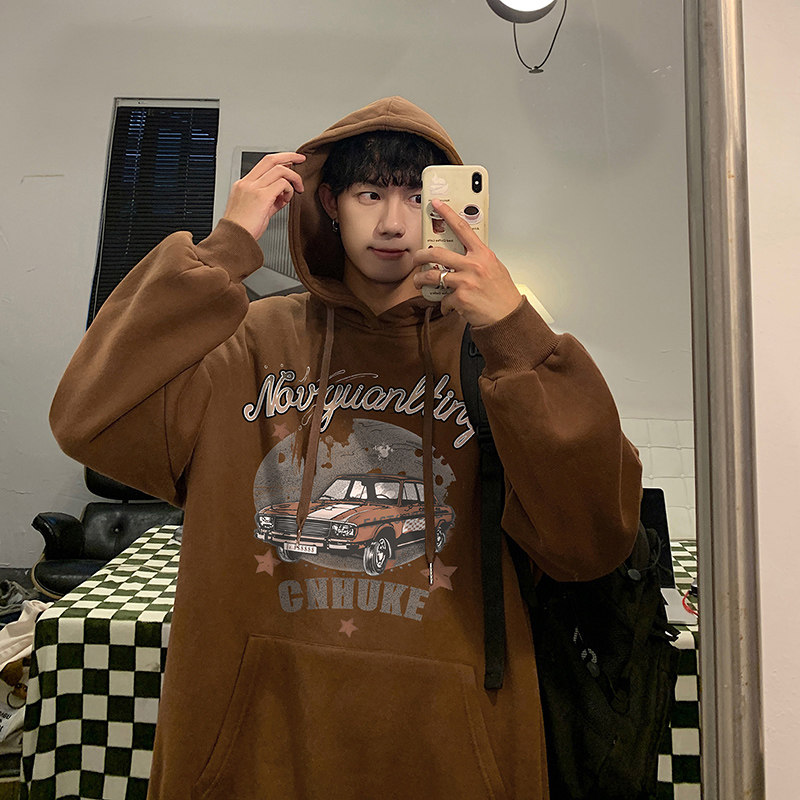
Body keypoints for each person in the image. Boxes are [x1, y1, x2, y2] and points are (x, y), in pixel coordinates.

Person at [50, 96, 642, 799]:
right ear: (329, 202)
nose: (393, 222)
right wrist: (225, 249)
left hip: (449, 752)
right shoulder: (248, 339)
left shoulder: (496, 359)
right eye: (370, 194)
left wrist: (514, 329)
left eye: (417, 197)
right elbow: (87, 417)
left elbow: (591, 540)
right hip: (257, 749)